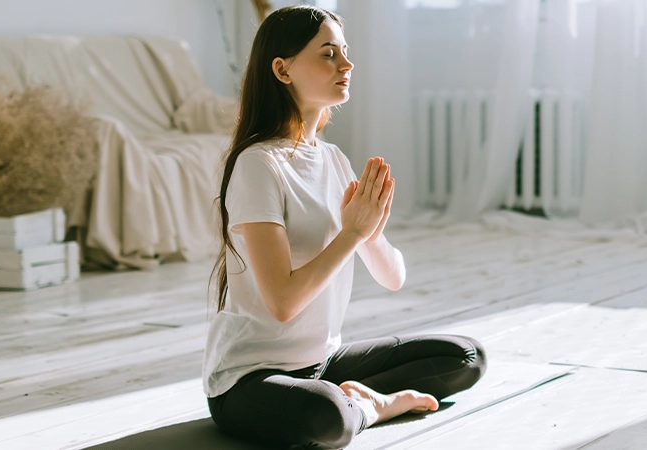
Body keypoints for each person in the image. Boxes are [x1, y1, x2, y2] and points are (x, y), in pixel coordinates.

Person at [203, 5, 486, 449]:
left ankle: (350, 397)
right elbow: (281, 302)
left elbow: (393, 277)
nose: (346, 64)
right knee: (325, 417)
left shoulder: (334, 159)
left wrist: (371, 231)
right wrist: (350, 234)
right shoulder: (258, 165)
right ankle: (367, 406)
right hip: (250, 379)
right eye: (328, 53)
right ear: (282, 69)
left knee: (466, 357)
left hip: (321, 361)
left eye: (346, 52)